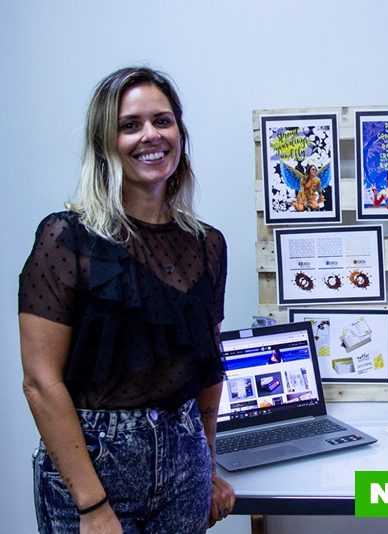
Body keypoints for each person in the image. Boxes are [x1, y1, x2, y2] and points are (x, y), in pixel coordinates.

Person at [19, 67, 235, 533]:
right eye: (130, 125)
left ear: (179, 133)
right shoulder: (66, 238)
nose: (150, 135)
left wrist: (209, 463)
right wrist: (92, 506)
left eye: (162, 120)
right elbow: (39, 382)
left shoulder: (208, 245)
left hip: (185, 462)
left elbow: (207, 367)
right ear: (104, 143)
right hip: (94, 465)